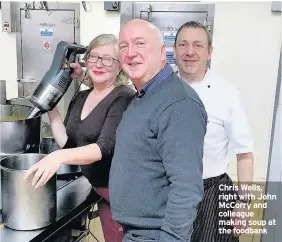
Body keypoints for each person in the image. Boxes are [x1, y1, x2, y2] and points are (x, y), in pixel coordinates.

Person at [24, 34, 136, 242]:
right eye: (94, 56)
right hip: (100, 190)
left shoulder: (123, 96)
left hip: (123, 196)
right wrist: (51, 106)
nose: (99, 63)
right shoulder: (83, 96)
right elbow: (68, 143)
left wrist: (57, 158)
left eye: (108, 59)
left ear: (120, 66)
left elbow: (104, 148)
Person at [109, 19, 208, 242]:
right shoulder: (145, 94)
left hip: (154, 235)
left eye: (140, 43)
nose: (131, 53)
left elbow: (186, 189)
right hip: (136, 232)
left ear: (162, 53)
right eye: (124, 46)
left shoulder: (179, 103)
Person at [173, 21, 254, 242]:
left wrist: (243, 203)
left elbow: (245, 155)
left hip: (214, 192)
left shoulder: (227, 94)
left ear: (209, 52)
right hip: (170, 192)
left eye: (198, 45)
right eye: (183, 45)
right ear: (174, 50)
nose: (190, 52)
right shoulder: (161, 90)